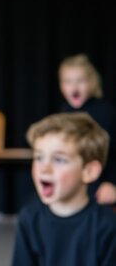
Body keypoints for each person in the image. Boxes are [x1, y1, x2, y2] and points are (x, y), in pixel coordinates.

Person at [12, 112, 116, 265]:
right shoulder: (29, 218)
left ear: (89, 172)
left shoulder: (107, 226)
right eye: (39, 157)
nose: (44, 169)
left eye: (59, 159)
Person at [59, 54, 116, 205]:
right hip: (73, 181)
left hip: (100, 182)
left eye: (80, 81)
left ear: (92, 83)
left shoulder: (105, 112)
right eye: (68, 81)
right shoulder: (64, 112)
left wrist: (112, 183)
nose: (74, 87)